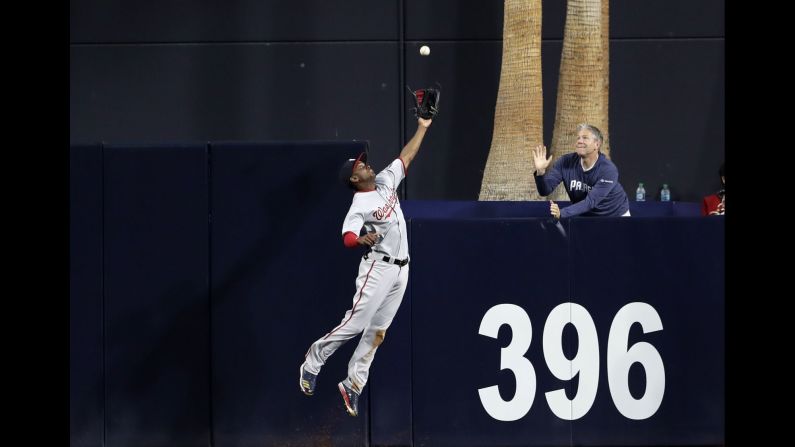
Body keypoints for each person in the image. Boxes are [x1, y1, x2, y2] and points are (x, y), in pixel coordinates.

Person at [299, 117, 433, 417]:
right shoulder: (359, 204)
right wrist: (360, 239)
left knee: (378, 331)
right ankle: (313, 361)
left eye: (364, 162)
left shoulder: (386, 180)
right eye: (360, 166)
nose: (366, 165)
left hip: (402, 269)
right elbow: (347, 235)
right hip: (378, 268)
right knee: (356, 324)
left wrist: (423, 127)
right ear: (354, 179)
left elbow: (407, 155)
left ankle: (353, 384)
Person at [532, 123, 630, 219]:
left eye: (585, 138)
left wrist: (562, 213)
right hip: (586, 216)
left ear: (597, 144)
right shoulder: (565, 162)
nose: (579, 141)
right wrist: (540, 173)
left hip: (615, 215)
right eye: (578, 138)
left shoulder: (608, 170)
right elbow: (545, 191)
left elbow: (591, 202)